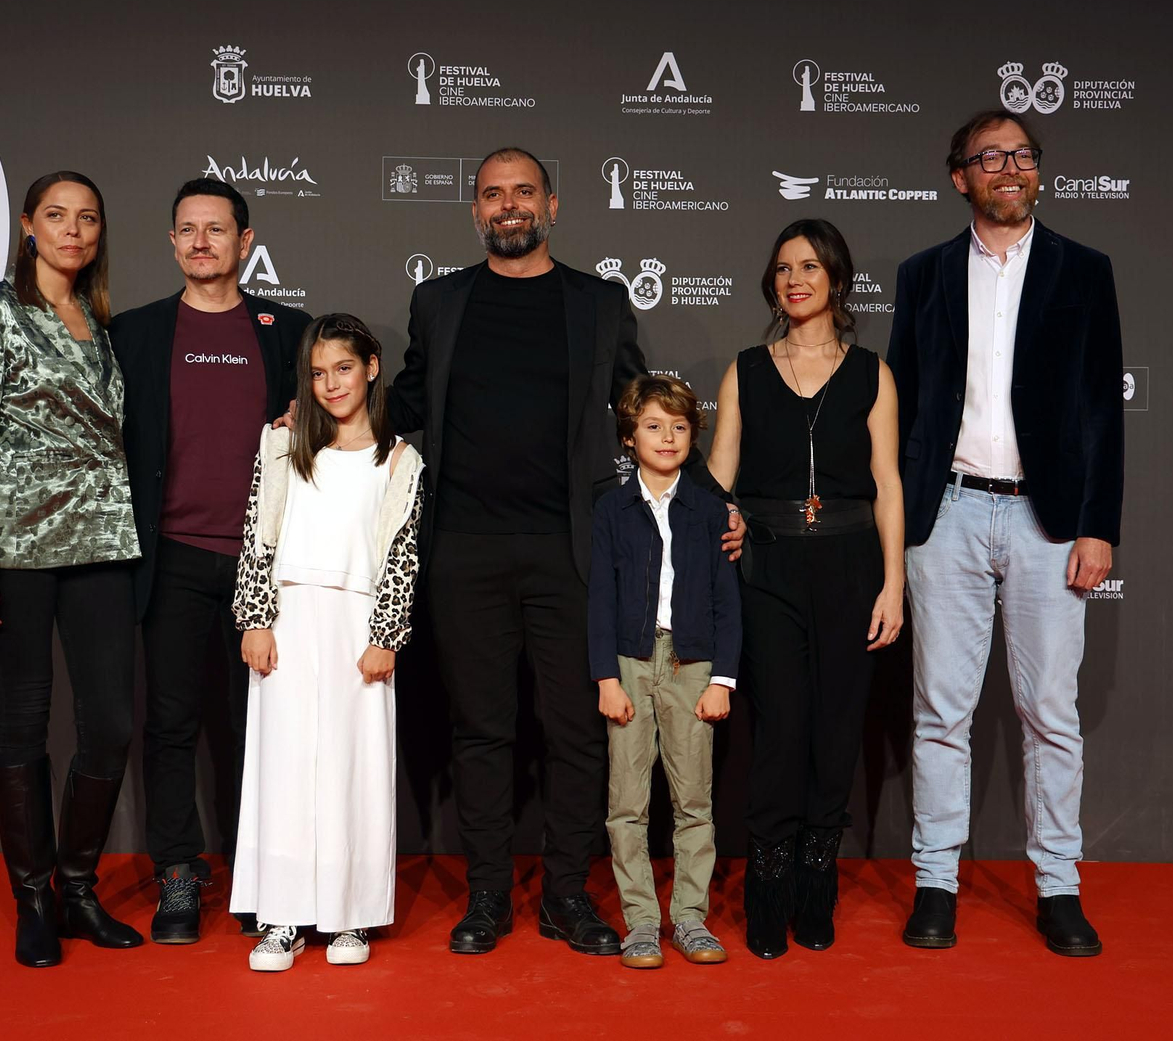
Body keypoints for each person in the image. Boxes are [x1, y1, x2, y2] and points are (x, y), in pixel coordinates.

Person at [385, 146, 743, 956]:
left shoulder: (598, 302)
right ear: (475, 211)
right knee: (479, 731)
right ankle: (484, 897)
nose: (507, 206)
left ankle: (566, 895)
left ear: (552, 203)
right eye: (491, 195)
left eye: (522, 192)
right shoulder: (439, 301)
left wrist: (717, 504)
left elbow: (648, 409)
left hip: (571, 552)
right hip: (463, 551)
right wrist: (304, 416)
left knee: (577, 734)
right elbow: (405, 399)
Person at [887, 110, 1122, 957]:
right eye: (992, 158)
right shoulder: (924, 275)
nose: (1011, 169)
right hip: (944, 512)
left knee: (1050, 713)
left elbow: (1102, 407)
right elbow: (901, 409)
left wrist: (1098, 526)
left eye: (1023, 155)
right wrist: (902, 522)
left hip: (1046, 518)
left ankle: (1059, 887)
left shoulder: (1084, 271)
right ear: (961, 177)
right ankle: (936, 884)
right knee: (941, 712)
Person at [0, 171, 142, 968]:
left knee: (109, 725)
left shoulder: (102, 324)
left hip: (102, 542)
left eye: (88, 218)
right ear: (28, 226)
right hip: (18, 549)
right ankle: (35, 900)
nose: (74, 230)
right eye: (57, 216)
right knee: (22, 722)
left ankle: (78, 887)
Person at [110, 179, 311, 943]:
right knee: (170, 723)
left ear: (245, 241)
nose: (201, 242)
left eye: (216, 230)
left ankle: (260, 873)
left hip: (266, 563)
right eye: (187, 230)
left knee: (258, 727)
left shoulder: (287, 331)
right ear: (171, 243)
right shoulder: (135, 332)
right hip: (173, 559)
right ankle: (178, 875)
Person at [707, 219, 905, 958]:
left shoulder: (871, 373)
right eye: (784, 267)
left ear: (836, 280)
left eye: (810, 267)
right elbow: (720, 474)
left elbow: (888, 485)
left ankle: (817, 880)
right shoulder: (747, 370)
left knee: (835, 729)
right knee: (780, 727)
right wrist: (711, 517)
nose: (795, 279)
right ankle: (769, 883)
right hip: (766, 567)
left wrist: (895, 582)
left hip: (852, 565)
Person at [229, 314, 424, 972]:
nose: (330, 383)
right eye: (317, 373)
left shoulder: (400, 460)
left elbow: (401, 558)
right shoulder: (282, 446)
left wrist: (386, 635)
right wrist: (254, 618)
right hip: (286, 618)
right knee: (281, 766)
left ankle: (350, 914)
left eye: (343, 367)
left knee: (355, 766)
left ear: (372, 366)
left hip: (358, 628)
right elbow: (258, 535)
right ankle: (280, 915)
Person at [590, 376, 741, 969]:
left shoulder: (709, 510)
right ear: (629, 436)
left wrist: (722, 680)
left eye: (679, 427)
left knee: (693, 802)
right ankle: (642, 924)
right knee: (627, 803)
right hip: (629, 661)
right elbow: (600, 598)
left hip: (693, 663)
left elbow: (727, 600)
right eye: (653, 426)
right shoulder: (613, 508)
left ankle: (690, 919)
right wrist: (606, 677)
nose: (667, 437)